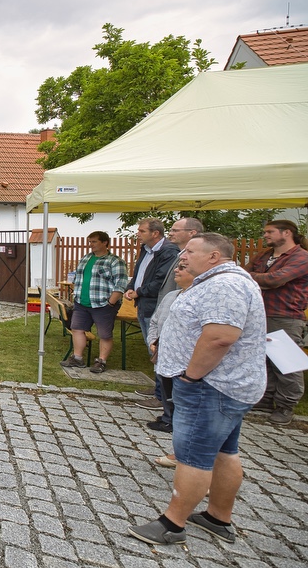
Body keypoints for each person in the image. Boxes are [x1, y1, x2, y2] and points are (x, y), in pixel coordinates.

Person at [128, 233, 266, 546]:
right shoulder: (219, 281)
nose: (182, 256)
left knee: (193, 456)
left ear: (214, 256)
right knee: (223, 451)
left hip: (211, 386)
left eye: (190, 250)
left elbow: (220, 337)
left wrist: (190, 376)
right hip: (220, 386)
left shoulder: (224, 285)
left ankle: (171, 525)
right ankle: (218, 517)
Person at [138, 217, 204, 427]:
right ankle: (163, 398)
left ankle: (170, 410)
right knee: (158, 354)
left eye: (176, 230)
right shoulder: (176, 253)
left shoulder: (179, 255)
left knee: (173, 366)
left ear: (192, 233)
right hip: (163, 307)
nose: (171, 233)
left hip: (178, 317)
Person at [246, 219, 308, 425]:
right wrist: (261, 276)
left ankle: (286, 406)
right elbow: (243, 273)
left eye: (270, 232)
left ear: (287, 233)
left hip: (285, 315)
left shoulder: (302, 257)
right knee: (262, 359)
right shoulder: (264, 255)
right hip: (258, 313)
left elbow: (276, 280)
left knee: (285, 363)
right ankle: (265, 398)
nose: (265, 235)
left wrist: (255, 277)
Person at [146, 262, 195, 467]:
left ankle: (189, 458)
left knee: (188, 413)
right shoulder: (171, 296)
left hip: (186, 365)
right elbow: (156, 321)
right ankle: (180, 450)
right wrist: (152, 341)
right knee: (173, 406)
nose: (177, 270)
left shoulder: (198, 298)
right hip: (165, 360)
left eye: (184, 267)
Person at [61, 231, 129, 373]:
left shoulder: (115, 261)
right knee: (77, 329)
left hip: (103, 304)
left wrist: (111, 302)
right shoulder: (86, 258)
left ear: (104, 242)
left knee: (104, 334)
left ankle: (101, 361)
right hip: (82, 302)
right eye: (90, 241)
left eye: (94, 241)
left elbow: (121, 283)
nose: (90, 244)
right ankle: (77, 358)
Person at [125, 218, 180, 338]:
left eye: (142, 231)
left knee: (156, 346)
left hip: (155, 306)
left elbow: (161, 281)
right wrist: (130, 287)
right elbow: (140, 273)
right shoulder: (145, 249)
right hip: (143, 304)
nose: (137, 234)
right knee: (150, 343)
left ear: (155, 233)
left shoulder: (169, 251)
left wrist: (138, 292)